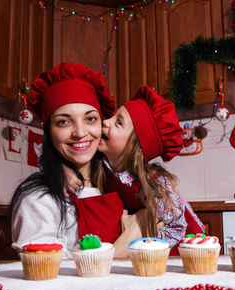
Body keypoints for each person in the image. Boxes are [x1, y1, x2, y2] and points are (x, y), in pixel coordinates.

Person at [10, 63, 144, 259]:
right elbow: (49, 276)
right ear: (49, 132)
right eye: (64, 121)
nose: (80, 133)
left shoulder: (118, 183)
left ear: (102, 125)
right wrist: (127, 242)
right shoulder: (37, 200)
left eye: (90, 119)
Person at [98, 85, 205, 255]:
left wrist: (148, 240)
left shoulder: (153, 185)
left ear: (136, 148)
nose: (105, 121)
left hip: (178, 250)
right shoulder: (102, 164)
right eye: (112, 116)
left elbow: (177, 226)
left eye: (118, 122)